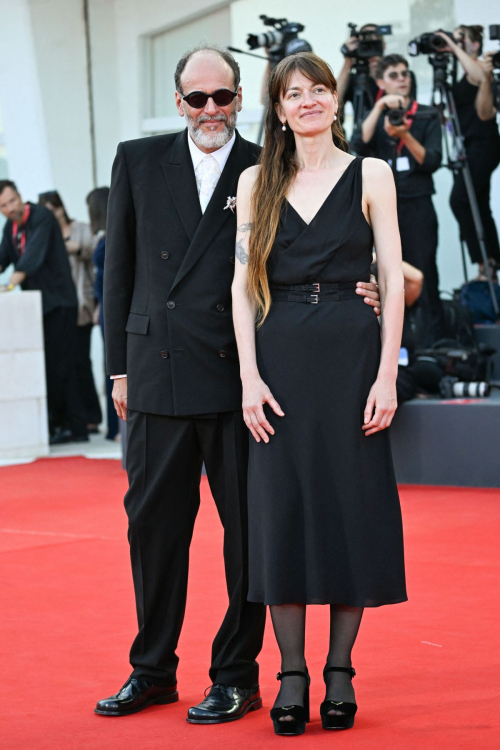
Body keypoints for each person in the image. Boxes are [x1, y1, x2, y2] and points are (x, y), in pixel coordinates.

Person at [97, 43, 382, 723]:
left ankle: (236, 675)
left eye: (222, 96)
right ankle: (151, 669)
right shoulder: (138, 162)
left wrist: (369, 290)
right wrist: (117, 366)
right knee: (153, 529)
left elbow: (325, 251)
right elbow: (120, 271)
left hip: (240, 379)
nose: (211, 110)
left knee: (248, 537)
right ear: (178, 103)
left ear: (240, 99)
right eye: (197, 98)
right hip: (157, 372)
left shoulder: (269, 164)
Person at [232, 51, 407, 737]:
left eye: (319, 90)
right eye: (293, 93)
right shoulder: (256, 181)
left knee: (350, 505)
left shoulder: (372, 172)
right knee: (283, 509)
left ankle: (340, 672)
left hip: (351, 357)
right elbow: (244, 286)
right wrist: (247, 375)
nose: (308, 101)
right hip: (279, 361)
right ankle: (291, 673)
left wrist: (388, 372)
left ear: (336, 100)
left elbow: (390, 277)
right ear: (277, 109)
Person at [351, 54, 443, 344]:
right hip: (383, 208)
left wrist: (405, 133)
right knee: (386, 270)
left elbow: (431, 160)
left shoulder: (426, 113)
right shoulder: (377, 115)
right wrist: (379, 106)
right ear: (381, 82)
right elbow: (358, 144)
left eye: (405, 73)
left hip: (418, 203)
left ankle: (429, 344)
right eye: (393, 75)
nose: (402, 78)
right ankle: (394, 341)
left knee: (424, 269)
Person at [0, 179, 87, 444]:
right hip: (39, 306)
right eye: (3, 206)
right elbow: (3, 257)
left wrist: (11, 283)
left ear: (20, 196)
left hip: (59, 303)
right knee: (49, 367)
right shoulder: (11, 227)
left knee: (64, 366)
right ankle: (58, 425)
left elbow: (32, 258)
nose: (9, 208)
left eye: (12, 201)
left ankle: (75, 427)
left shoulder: (42, 217)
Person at [435, 28, 500, 277]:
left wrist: (453, 45)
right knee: (480, 204)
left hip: (484, 144)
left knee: (461, 199)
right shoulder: (460, 73)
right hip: (472, 144)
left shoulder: (480, 68)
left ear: (474, 45)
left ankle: (484, 261)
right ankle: (491, 261)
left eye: (462, 39)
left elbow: (480, 77)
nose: (455, 41)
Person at [39, 190, 102, 432]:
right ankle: (78, 415)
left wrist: (76, 248)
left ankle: (92, 416)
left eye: (53, 209)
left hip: (81, 303)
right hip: (60, 307)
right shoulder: (46, 234)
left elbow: (97, 253)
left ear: (60, 207)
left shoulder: (80, 229)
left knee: (82, 362)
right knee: (69, 364)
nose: (52, 215)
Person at [86, 187, 118, 441]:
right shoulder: (108, 237)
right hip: (105, 307)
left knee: (114, 366)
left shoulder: (111, 239)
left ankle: (117, 428)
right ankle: (115, 427)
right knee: (111, 366)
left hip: (111, 307)